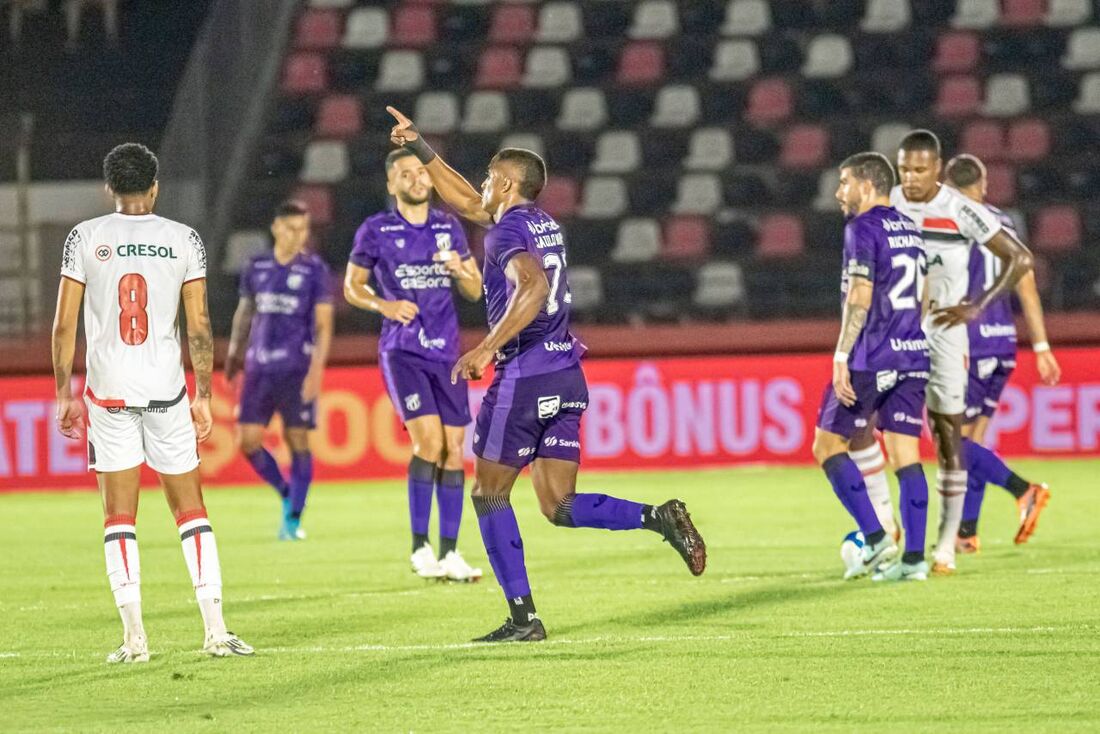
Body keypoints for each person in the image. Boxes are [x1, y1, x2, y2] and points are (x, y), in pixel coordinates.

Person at [386, 105, 706, 643]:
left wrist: (487, 346)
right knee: (558, 505)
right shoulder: (539, 222)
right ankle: (659, 516)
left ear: (506, 182)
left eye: (490, 176)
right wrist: (420, 146)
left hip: (524, 379)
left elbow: (531, 288)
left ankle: (522, 619)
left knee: (488, 495)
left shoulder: (505, 232)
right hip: (565, 374)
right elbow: (465, 198)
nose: (482, 184)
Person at [51, 142, 252, 662]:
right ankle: (216, 630)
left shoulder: (85, 237)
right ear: (155, 187)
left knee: (119, 517)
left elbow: (64, 326)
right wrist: (203, 396)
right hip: (166, 392)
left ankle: (135, 640)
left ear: (109, 189)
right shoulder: (183, 239)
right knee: (191, 511)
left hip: (109, 393)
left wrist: (63, 393)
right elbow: (201, 326)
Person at [870, 130, 1033, 576]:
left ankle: (945, 546)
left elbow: (1020, 258)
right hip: (901, 331)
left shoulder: (959, 209)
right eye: (904, 168)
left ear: (937, 169)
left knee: (947, 438)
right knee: (885, 433)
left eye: (919, 169)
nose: (910, 177)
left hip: (946, 334)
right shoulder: (893, 203)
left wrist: (976, 305)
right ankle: (887, 532)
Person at [344, 149, 484, 582]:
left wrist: (461, 269)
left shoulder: (449, 227)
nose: (417, 179)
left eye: (421, 172)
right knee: (428, 444)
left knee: (455, 450)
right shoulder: (376, 229)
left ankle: (451, 553)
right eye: (406, 174)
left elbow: (476, 291)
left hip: (448, 353)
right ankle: (420, 547)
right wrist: (383, 304)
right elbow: (352, 286)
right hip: (403, 350)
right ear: (392, 184)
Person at [812, 152, 932, 582]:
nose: (838, 192)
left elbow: (860, 295)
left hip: (872, 354)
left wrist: (841, 357)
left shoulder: (861, 227)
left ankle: (876, 537)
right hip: (914, 352)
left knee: (826, 446)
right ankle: (915, 561)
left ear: (866, 184)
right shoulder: (911, 229)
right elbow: (926, 296)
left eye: (844, 182)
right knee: (906, 455)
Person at [943, 154, 1059, 552]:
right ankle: (967, 533)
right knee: (973, 442)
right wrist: (1041, 346)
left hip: (970, 345)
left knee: (950, 440)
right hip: (1004, 342)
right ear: (983, 181)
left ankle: (1023, 489)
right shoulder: (1005, 223)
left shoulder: (955, 224)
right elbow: (1026, 286)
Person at [225, 200, 334, 541]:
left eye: (302, 229)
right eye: (290, 228)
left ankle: (294, 517)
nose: (297, 235)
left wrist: (316, 371)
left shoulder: (314, 270)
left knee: (297, 438)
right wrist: (234, 352)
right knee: (248, 441)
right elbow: (245, 312)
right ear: (275, 228)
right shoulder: (256, 266)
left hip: (296, 367)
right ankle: (287, 492)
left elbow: (323, 326)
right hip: (259, 367)